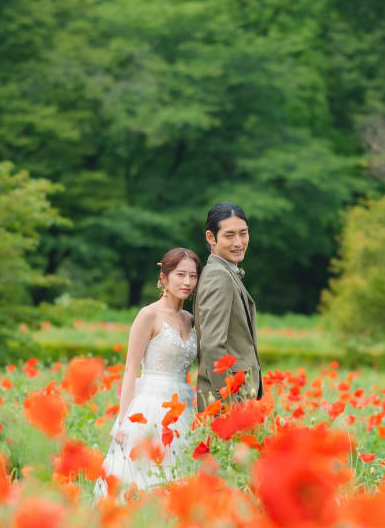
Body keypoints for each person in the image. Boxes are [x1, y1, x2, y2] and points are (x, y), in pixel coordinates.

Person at [95, 248, 201, 500]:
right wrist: (122, 422)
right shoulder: (148, 315)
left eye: (193, 276)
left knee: (180, 477)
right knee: (145, 478)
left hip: (183, 405)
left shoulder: (190, 319)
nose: (187, 282)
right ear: (163, 277)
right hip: (150, 407)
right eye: (180, 274)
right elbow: (131, 369)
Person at [194, 203, 262, 413]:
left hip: (238, 394)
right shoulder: (218, 276)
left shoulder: (224, 272)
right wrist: (230, 401)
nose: (239, 242)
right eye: (229, 235)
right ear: (211, 237)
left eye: (243, 234)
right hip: (229, 400)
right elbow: (212, 344)